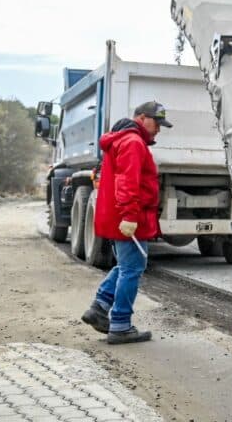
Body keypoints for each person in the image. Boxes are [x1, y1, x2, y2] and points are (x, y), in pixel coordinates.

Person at [80, 101, 171, 344]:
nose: (158, 130)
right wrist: (130, 217)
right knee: (132, 268)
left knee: (126, 265)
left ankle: (99, 308)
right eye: (156, 123)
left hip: (122, 215)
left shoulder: (125, 140)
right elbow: (127, 183)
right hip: (130, 217)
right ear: (141, 118)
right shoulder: (133, 142)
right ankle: (120, 325)